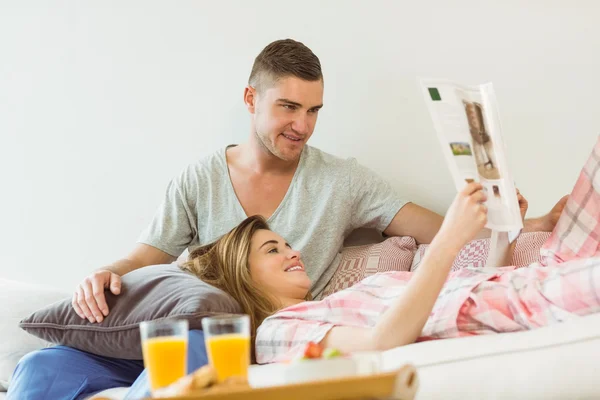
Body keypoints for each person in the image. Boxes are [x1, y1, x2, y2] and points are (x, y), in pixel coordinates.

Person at [7, 38, 565, 399]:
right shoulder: (199, 179)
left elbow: (437, 228)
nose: (304, 125)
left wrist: (526, 222)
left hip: (240, 340)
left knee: (199, 348)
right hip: (181, 328)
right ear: (252, 99)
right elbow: (144, 257)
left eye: (315, 110)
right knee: (40, 370)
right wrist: (103, 273)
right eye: (289, 108)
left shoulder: (342, 181)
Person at [181, 179, 600, 365]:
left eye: (287, 244)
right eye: (273, 249)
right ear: (243, 276)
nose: (294, 253)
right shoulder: (278, 332)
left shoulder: (341, 300)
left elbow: (473, 286)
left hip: (531, 277)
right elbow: (381, 342)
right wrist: (449, 240)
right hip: (525, 299)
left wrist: (505, 234)